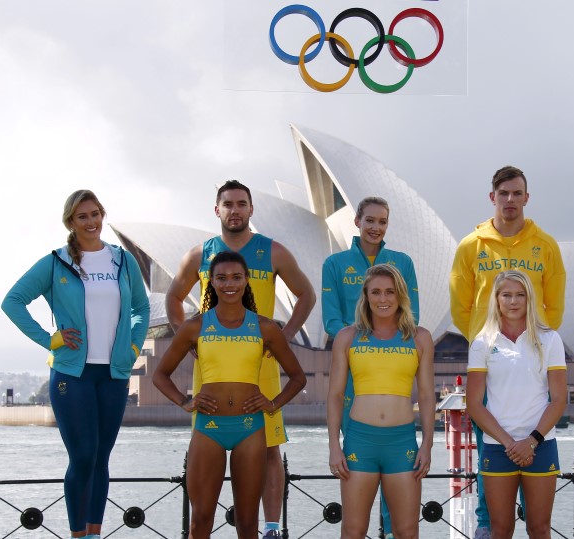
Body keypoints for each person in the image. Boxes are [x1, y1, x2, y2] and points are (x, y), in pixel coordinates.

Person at [166, 180, 315, 538]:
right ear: (217, 210)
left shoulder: (273, 251)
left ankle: (272, 526)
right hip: (214, 368)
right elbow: (173, 298)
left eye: (241, 204)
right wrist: (189, 341)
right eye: (228, 204)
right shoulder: (199, 254)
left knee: (269, 444)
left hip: (261, 361)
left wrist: (285, 337)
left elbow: (306, 295)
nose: (235, 210)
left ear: (251, 210)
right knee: (209, 442)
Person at [1, 190, 150, 539]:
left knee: (101, 459)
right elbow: (13, 302)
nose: (91, 221)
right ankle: (78, 534)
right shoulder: (56, 262)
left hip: (113, 374)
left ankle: (95, 534)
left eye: (96, 213)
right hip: (72, 373)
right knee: (83, 455)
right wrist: (49, 339)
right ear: (71, 221)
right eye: (83, 216)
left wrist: (131, 346)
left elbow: (142, 309)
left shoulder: (122, 260)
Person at [449, 166, 566, 538]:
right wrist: (487, 342)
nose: (511, 200)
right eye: (504, 193)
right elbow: (460, 305)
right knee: (498, 525)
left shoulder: (545, 244)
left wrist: (535, 337)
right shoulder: (471, 245)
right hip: (491, 357)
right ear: (493, 197)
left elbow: (556, 306)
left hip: (534, 355)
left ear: (526, 198)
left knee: (538, 526)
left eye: (518, 193)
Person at [321, 196, 419, 538]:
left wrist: (385, 342)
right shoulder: (335, 264)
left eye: (382, 221)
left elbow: (412, 315)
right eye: (370, 221)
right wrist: (359, 342)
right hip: (352, 363)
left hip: (391, 364)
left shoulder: (402, 262)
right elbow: (331, 318)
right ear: (357, 222)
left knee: (403, 516)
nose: (376, 227)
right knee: (355, 462)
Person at [327, 264, 435, 539]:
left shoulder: (419, 337)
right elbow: (336, 395)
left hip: (402, 443)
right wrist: (333, 447)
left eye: (390, 292)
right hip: (360, 441)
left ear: (400, 295)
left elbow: (425, 395)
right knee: (353, 530)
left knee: (406, 530)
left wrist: (427, 445)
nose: (383, 299)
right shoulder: (347, 337)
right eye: (376, 292)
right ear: (366, 296)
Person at [465, 270, 567, 539]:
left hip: (541, 445)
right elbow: (474, 404)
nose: (513, 301)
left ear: (529, 299)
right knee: (501, 530)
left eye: (520, 294)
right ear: (496, 299)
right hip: (499, 448)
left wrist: (531, 441)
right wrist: (510, 443)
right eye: (506, 295)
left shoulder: (550, 339)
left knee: (539, 529)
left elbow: (558, 400)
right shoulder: (482, 343)